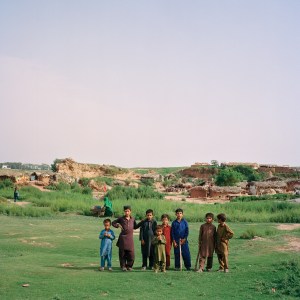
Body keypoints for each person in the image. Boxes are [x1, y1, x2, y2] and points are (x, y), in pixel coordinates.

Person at [112, 206, 142, 271]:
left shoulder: (132, 219)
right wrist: (118, 225)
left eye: (128, 211)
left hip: (130, 239)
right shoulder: (121, 218)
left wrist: (141, 222)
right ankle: (123, 266)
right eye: (125, 211)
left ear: (130, 211)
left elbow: (135, 227)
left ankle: (129, 266)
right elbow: (113, 223)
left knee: (131, 254)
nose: (127, 212)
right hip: (122, 238)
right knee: (122, 253)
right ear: (124, 212)